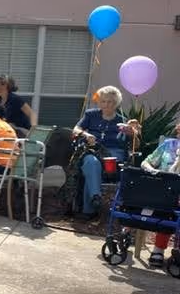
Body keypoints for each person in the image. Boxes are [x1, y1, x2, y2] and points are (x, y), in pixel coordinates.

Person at [73, 85, 139, 219]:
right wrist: (85, 135)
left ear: (116, 104)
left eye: (110, 102)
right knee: (91, 162)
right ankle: (96, 197)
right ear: (99, 102)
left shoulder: (122, 121)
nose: (106, 104)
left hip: (114, 155)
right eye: (103, 101)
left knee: (91, 168)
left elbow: (135, 146)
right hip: (93, 150)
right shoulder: (91, 115)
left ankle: (89, 210)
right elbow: (76, 129)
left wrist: (132, 134)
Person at [139, 122, 180, 267]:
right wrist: (153, 171)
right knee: (167, 204)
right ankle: (159, 249)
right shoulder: (169, 145)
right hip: (164, 191)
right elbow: (146, 162)